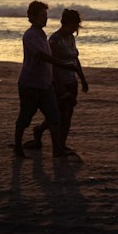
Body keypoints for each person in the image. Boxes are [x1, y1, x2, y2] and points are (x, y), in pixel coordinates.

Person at [13, 1, 72, 158]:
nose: (46, 19)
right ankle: (17, 147)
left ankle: (57, 150)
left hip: (45, 85)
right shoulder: (30, 35)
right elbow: (42, 56)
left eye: (46, 15)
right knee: (25, 118)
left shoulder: (42, 34)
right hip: (30, 85)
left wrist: (53, 80)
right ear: (32, 17)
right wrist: (62, 64)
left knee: (54, 118)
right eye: (42, 16)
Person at [33, 8, 89, 154]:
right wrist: (58, 85)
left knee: (68, 114)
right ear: (65, 23)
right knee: (59, 115)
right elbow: (50, 64)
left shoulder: (71, 38)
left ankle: (56, 141)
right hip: (58, 82)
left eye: (76, 26)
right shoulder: (54, 40)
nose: (74, 29)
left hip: (71, 81)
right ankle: (56, 145)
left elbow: (75, 59)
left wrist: (82, 78)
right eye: (73, 26)